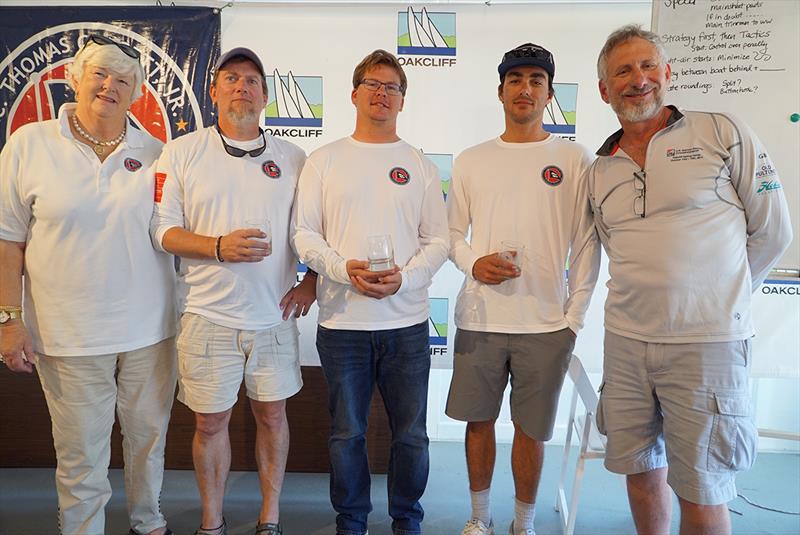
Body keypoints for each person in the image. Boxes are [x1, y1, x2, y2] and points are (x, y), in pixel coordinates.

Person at [588, 24, 793, 535]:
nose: (639, 80)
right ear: (604, 90)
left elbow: (772, 231)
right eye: (623, 71)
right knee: (638, 470)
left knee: (702, 485)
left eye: (648, 66)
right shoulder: (599, 168)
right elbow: (620, 250)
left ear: (667, 74)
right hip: (627, 342)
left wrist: (721, 297)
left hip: (706, 344)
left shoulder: (721, 132)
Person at [0, 34, 176, 535]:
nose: (109, 86)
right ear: (74, 79)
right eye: (99, 73)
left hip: (151, 331)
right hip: (68, 335)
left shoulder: (159, 153)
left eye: (123, 80)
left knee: (148, 439)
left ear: (137, 93)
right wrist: (9, 321)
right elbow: (7, 242)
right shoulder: (29, 145)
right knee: (80, 455)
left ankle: (148, 520)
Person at [150, 47, 315, 535]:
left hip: (274, 318)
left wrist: (313, 280)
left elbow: (317, 230)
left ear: (265, 95)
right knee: (209, 425)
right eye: (231, 78)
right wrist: (218, 246)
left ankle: (271, 517)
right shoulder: (181, 152)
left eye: (252, 80)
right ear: (214, 90)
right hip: (206, 316)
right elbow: (163, 231)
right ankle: (211, 521)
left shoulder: (294, 157)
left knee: (272, 416)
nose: (242, 86)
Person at [292, 49, 449, 535]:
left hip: (406, 326)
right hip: (343, 326)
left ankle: (407, 518)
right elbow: (303, 234)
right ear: (355, 94)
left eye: (392, 87)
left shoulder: (418, 164)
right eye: (373, 85)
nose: (382, 93)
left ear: (403, 99)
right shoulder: (323, 161)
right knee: (346, 435)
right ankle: (352, 519)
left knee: (412, 437)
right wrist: (340, 269)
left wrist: (406, 277)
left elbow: (438, 240)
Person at [445, 43, 600, 535]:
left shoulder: (575, 159)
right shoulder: (471, 160)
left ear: (550, 95)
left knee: (532, 432)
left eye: (536, 81)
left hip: (546, 325)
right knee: (478, 423)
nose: (525, 89)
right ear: (500, 91)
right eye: (516, 80)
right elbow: (449, 235)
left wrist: (573, 319)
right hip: (481, 320)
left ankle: (523, 523)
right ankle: (478, 518)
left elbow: (587, 245)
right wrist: (474, 263)